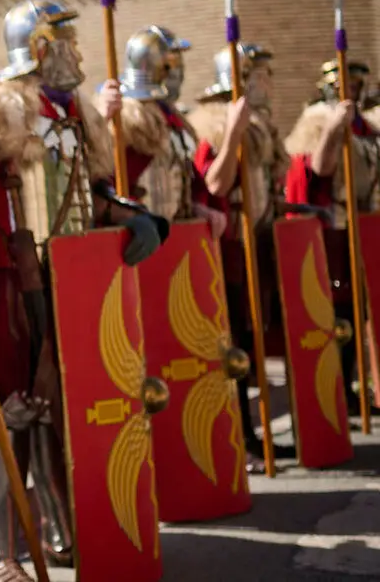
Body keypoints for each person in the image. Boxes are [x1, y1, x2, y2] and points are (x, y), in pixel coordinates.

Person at [0, 0, 166, 582]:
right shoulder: (1, 106)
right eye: (66, 42)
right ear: (41, 49)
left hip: (75, 283)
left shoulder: (74, 113)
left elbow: (90, 190)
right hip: (15, 287)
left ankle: (61, 532)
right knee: (13, 414)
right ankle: (2, 553)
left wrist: (133, 216)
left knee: (63, 411)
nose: (78, 53)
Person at [187, 42, 296, 471]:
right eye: (257, 74)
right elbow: (214, 185)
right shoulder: (212, 126)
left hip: (260, 244)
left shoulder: (261, 125)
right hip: (230, 248)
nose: (265, 83)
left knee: (252, 343)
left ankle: (254, 435)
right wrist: (233, 132)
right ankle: (240, 438)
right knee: (231, 347)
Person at [283, 59, 380, 416]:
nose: (352, 90)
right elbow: (319, 169)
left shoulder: (366, 125)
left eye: (357, 84)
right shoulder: (317, 119)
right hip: (335, 225)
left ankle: (357, 386)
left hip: (365, 223)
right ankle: (338, 391)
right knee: (341, 310)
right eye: (346, 84)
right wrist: (335, 127)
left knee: (362, 310)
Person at [103, 25, 226, 237]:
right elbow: (112, 185)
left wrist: (198, 208)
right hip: (143, 237)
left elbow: (187, 182)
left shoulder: (173, 120)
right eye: (172, 63)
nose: (179, 74)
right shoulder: (129, 120)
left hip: (178, 237)